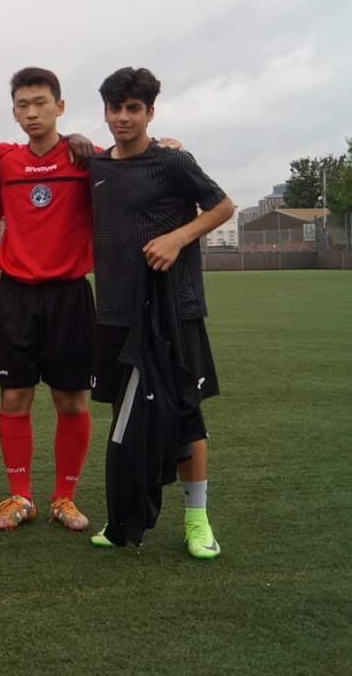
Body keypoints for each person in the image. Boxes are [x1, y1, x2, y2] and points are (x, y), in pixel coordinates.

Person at [88, 67, 233, 559]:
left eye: (134, 108)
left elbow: (222, 207)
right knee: (125, 413)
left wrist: (177, 238)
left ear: (151, 112)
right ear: (105, 111)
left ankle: (197, 520)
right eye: (115, 108)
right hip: (114, 312)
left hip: (174, 311)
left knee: (185, 414)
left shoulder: (173, 161)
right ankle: (123, 517)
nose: (123, 117)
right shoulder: (95, 166)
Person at [0, 67, 97, 532]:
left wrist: (168, 145)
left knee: (70, 400)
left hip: (69, 295)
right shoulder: (3, 161)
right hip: (14, 294)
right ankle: (20, 496)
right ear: (14, 112)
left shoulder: (86, 159)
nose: (32, 113)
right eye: (23, 105)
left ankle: (63, 498)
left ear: (60, 106)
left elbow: (134, 158)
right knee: (14, 396)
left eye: (40, 103)